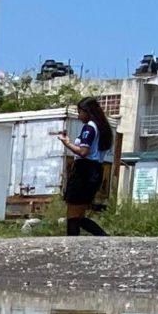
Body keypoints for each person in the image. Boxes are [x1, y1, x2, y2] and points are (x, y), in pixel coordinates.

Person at [54, 97, 114, 236]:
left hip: (84, 171)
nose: (79, 116)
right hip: (95, 170)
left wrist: (67, 143)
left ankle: (73, 243)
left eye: (80, 112)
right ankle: (104, 237)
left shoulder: (89, 127)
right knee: (79, 215)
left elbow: (83, 152)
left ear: (87, 112)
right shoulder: (101, 128)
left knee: (72, 215)